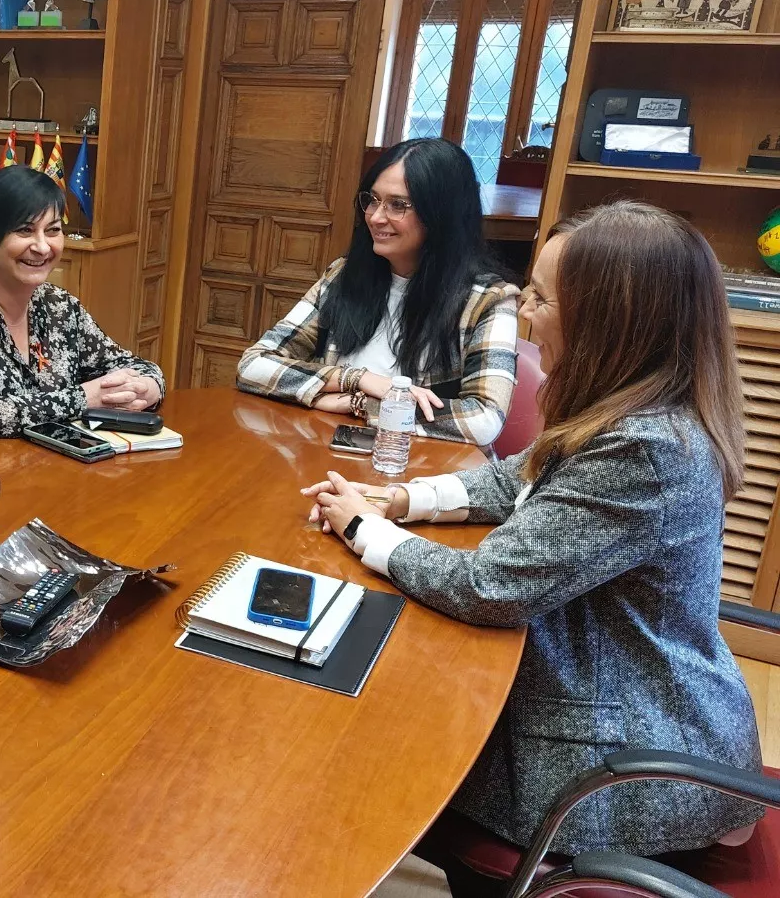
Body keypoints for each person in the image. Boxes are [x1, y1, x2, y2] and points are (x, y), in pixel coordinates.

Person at [304, 201, 763, 895]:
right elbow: (520, 474)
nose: (523, 312)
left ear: (613, 321)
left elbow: (490, 588)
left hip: (624, 764)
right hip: (623, 702)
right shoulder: (632, 407)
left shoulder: (647, 448)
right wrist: (404, 499)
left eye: (543, 297)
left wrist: (362, 527)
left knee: (364, 751)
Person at [237, 138, 519, 447]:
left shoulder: (489, 300)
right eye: (372, 199)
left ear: (441, 215)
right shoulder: (344, 275)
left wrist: (359, 404)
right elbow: (253, 365)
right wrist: (357, 380)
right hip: (329, 456)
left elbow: (484, 419)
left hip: (423, 475)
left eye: (398, 205)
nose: (376, 216)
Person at [0, 165, 165, 449]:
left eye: (53, 231)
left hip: (40, 467)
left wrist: (149, 387)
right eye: (25, 231)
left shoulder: (60, 307)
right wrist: (81, 398)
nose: (42, 247)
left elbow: (130, 365)